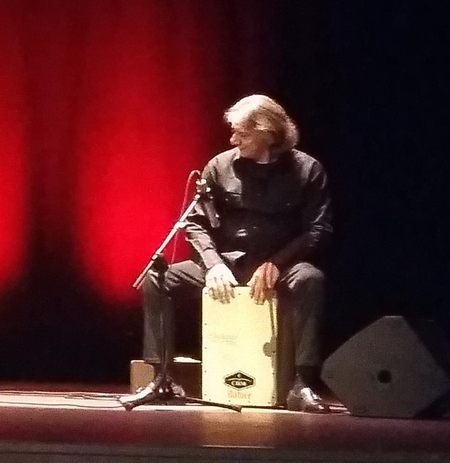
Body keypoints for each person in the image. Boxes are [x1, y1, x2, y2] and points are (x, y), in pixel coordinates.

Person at [133, 94, 333, 412]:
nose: (233, 139)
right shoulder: (219, 166)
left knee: (311, 279)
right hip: (227, 264)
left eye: (242, 133)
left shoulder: (308, 170)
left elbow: (319, 229)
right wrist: (212, 264)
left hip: (278, 266)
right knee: (158, 279)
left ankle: (302, 383)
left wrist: (277, 262)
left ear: (267, 132)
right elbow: (195, 223)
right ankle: (162, 377)